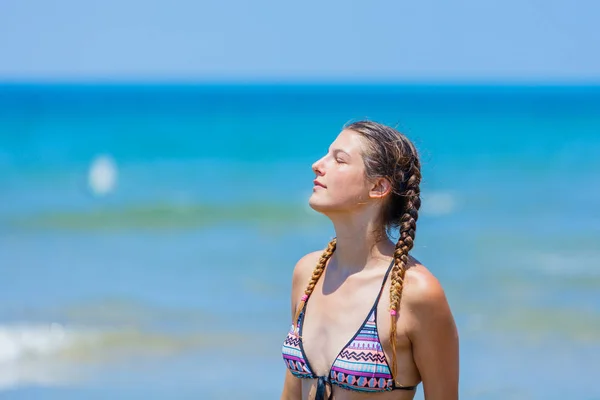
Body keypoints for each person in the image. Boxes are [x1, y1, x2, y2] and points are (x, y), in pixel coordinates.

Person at [280, 121, 459, 400]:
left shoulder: (414, 292)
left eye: (339, 159)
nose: (317, 164)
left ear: (378, 187)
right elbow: (291, 394)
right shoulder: (308, 272)